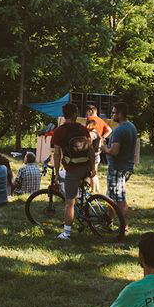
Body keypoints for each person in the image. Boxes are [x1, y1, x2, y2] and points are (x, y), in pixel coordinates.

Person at [52, 102, 96, 239]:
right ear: (74, 114)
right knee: (81, 195)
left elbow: (57, 154)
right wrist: (93, 168)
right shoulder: (83, 129)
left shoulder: (60, 131)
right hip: (86, 166)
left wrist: (56, 172)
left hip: (73, 169)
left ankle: (66, 233)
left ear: (64, 115)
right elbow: (91, 149)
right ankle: (83, 214)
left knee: (69, 202)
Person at [103, 102, 137, 225]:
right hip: (127, 166)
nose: (111, 115)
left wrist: (104, 148)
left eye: (113, 112)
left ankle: (123, 227)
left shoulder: (119, 130)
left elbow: (114, 151)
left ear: (120, 114)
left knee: (120, 198)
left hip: (118, 168)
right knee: (111, 197)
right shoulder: (132, 127)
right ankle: (109, 222)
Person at [85, 119, 103, 193]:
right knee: (94, 173)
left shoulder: (91, 134)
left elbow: (89, 145)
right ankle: (97, 188)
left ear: (90, 125)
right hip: (97, 154)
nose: (86, 126)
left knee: (92, 173)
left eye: (87, 124)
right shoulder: (97, 133)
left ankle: (93, 190)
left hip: (93, 155)